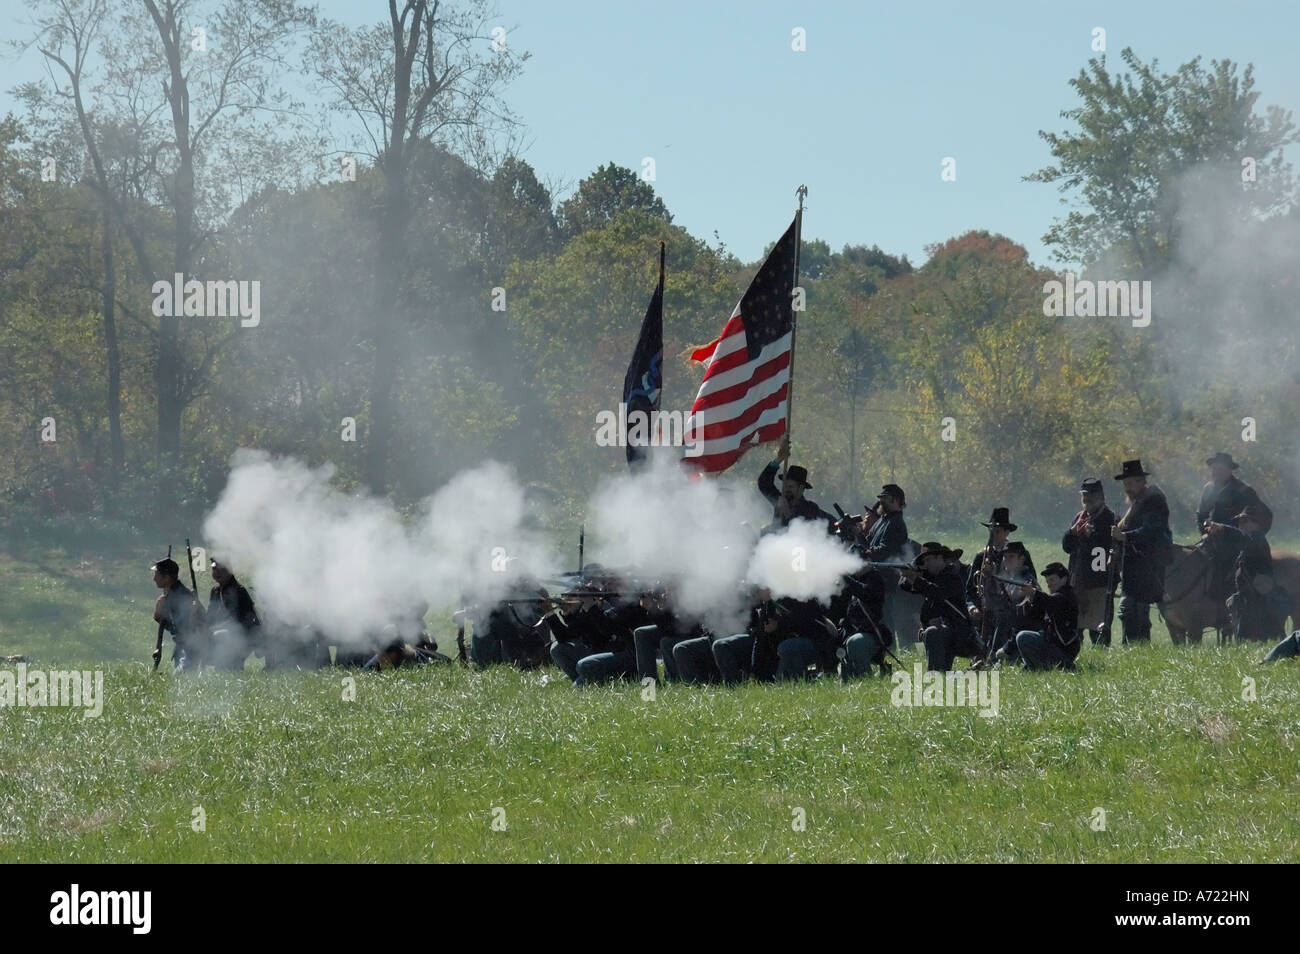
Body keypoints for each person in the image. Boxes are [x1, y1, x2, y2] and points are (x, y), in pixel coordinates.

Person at [1111, 459, 1173, 643]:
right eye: (1125, 484)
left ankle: (1139, 645)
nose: (1127, 488)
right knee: (1128, 610)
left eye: (1130, 483)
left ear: (1141, 482)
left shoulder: (1154, 501)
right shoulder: (1138, 502)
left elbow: (1151, 531)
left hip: (1149, 563)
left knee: (1137, 609)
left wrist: (1125, 536)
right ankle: (1130, 646)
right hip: (1134, 565)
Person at [1206, 504, 1287, 643]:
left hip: (1258, 601)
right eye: (1240, 521)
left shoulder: (1257, 539)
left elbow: (1241, 537)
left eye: (1245, 521)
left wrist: (1223, 528)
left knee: (1259, 638)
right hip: (1248, 599)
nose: (1240, 524)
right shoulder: (1250, 540)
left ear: (1257, 524)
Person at [903, 543, 978, 672]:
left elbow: (936, 592)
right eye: (924, 561)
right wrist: (911, 572)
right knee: (944, 671)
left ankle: (934, 674)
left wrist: (914, 578)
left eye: (929, 560)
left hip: (960, 634)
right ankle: (962, 673)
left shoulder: (952, 577)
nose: (926, 564)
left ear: (940, 558)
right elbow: (904, 586)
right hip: (945, 633)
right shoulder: (930, 577)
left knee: (933, 632)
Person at [1062, 478, 1115, 646]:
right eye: (1084, 496)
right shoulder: (1080, 517)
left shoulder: (1110, 519)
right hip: (1077, 583)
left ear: (1101, 496)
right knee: (1073, 631)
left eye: (1091, 495)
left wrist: (1089, 536)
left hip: (1099, 585)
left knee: (1098, 633)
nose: (1087, 500)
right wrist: (1073, 532)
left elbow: (1103, 548)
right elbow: (1066, 546)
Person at [1012, 563, 1081, 670]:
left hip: (1063, 650)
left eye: (1052, 580)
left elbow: (1051, 602)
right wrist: (1029, 597)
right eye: (1047, 581)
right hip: (1053, 646)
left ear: (1064, 579)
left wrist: (1034, 593)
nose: (1049, 584)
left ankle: (1059, 667)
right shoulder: (1052, 598)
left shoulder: (1067, 595)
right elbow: (1034, 617)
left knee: (1023, 637)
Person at [757, 437, 833, 530]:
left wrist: (788, 514)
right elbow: (764, 483)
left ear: (801, 488)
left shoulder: (810, 508)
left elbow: (829, 523)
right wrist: (778, 459)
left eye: (790, 486)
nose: (786, 489)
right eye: (785, 486)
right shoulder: (779, 500)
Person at [151, 555, 205, 672]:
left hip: (191, 648)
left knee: (182, 678)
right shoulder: (170, 595)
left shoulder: (182, 596)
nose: (154, 579)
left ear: (167, 577)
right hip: (182, 646)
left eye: (157, 575)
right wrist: (158, 614)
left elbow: (193, 625)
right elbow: (172, 627)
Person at [207, 558, 260, 671]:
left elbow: (243, 620)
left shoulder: (239, 591)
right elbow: (210, 617)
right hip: (223, 634)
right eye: (214, 569)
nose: (217, 573)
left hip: (242, 636)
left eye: (220, 570)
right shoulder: (215, 591)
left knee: (221, 635)